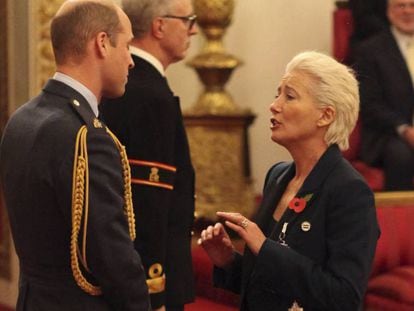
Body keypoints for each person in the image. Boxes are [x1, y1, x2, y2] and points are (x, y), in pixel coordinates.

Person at [198, 51, 380, 311]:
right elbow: (267, 285)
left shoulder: (349, 191)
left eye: (290, 96)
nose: (275, 105)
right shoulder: (278, 176)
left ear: (325, 115)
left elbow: (344, 298)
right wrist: (228, 261)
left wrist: (264, 247)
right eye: (277, 94)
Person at [0, 1, 151, 310]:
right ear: (102, 43)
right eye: (128, 45)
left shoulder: (21, 120)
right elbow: (114, 262)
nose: (131, 61)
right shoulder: (86, 137)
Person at [100, 0, 197, 310]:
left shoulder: (131, 84)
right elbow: (148, 206)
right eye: (187, 20)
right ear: (159, 26)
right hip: (149, 277)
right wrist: (154, 288)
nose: (192, 29)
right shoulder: (149, 95)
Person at [354, 0, 414, 190]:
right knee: (401, 156)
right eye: (400, 6)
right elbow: (370, 104)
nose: (407, 11)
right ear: (388, 12)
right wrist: (405, 130)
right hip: (389, 134)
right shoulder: (370, 50)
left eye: (413, 6)